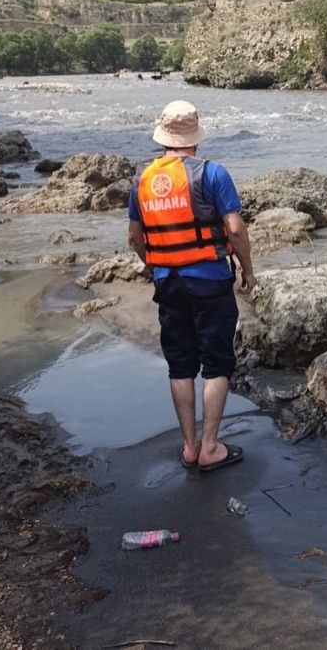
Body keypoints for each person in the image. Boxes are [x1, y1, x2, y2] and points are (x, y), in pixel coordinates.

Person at [128, 100, 256, 472]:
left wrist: (154, 265)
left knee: (179, 365)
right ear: (195, 137)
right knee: (217, 363)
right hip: (210, 281)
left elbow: (135, 236)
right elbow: (234, 228)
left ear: (164, 137)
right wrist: (247, 267)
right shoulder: (213, 174)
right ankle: (211, 447)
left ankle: (188, 447)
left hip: (169, 282)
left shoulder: (142, 180)